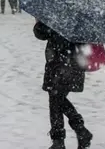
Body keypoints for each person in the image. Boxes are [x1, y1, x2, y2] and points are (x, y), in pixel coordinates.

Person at [34, 20, 92, 149]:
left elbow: (41, 33)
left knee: (56, 99)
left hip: (59, 63)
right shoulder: (82, 17)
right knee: (56, 99)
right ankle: (74, 134)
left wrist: (39, 23)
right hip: (75, 62)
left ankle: (66, 137)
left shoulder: (56, 14)